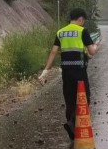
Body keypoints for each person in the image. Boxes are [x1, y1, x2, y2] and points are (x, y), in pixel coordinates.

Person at [38, 8, 99, 139]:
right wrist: (96, 47)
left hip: (66, 73)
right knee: (84, 98)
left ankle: (71, 127)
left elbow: (54, 52)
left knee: (69, 100)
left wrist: (46, 70)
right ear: (81, 19)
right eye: (83, 21)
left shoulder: (61, 32)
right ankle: (72, 124)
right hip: (80, 72)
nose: (83, 23)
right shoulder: (82, 31)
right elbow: (91, 52)